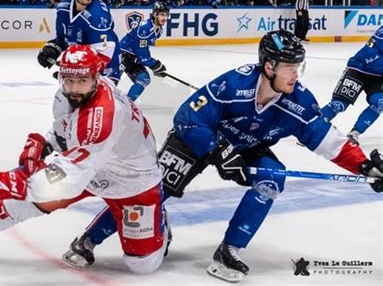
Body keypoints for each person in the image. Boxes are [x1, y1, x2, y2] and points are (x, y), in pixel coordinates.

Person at [60, 30, 383, 282]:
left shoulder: (296, 100)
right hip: (197, 140)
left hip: (247, 146)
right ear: (268, 66)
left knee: (272, 179)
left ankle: (229, 249)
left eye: (297, 67)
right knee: (156, 190)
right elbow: (188, 117)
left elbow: (326, 139)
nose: (295, 75)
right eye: (289, 67)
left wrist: (365, 166)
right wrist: (218, 150)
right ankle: (89, 239)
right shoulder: (233, 83)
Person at [0, 44, 169, 275]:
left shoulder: (103, 115)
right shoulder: (67, 96)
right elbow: (66, 131)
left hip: (133, 180)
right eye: (69, 80)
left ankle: (155, 220)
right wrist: (45, 145)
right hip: (89, 166)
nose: (74, 88)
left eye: (82, 81)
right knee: (18, 204)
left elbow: (71, 178)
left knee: (143, 264)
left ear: (96, 78)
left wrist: (19, 183)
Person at [37, 0, 122, 83]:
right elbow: (62, 39)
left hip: (107, 67)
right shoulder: (63, 8)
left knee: (94, 96)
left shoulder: (98, 16)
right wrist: (53, 49)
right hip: (81, 64)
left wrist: (74, 70)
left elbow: (104, 54)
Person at [321, 26, 382, 144]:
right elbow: (367, 56)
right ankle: (312, 127)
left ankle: (355, 132)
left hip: (378, 76)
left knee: (380, 102)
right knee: (338, 105)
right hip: (358, 69)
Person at [119, 1, 169, 101]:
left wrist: (155, 66)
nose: (165, 18)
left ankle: (127, 103)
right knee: (110, 81)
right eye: (162, 15)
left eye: (167, 15)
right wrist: (155, 65)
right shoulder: (145, 28)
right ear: (155, 14)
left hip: (133, 57)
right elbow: (143, 56)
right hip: (123, 55)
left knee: (144, 79)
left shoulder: (158, 30)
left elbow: (144, 49)